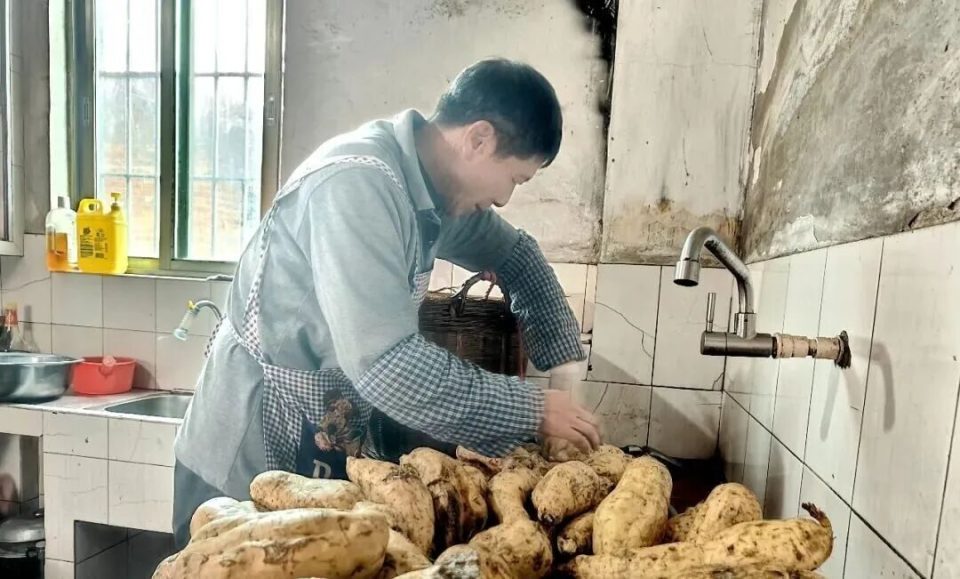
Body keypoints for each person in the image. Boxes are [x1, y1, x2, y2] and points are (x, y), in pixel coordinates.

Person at [171, 58, 601, 547]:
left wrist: (565, 371)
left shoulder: (432, 195)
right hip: (245, 450)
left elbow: (517, 257)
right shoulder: (357, 185)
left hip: (320, 437)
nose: (505, 199)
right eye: (515, 179)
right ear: (479, 140)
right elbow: (387, 367)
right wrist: (531, 410)